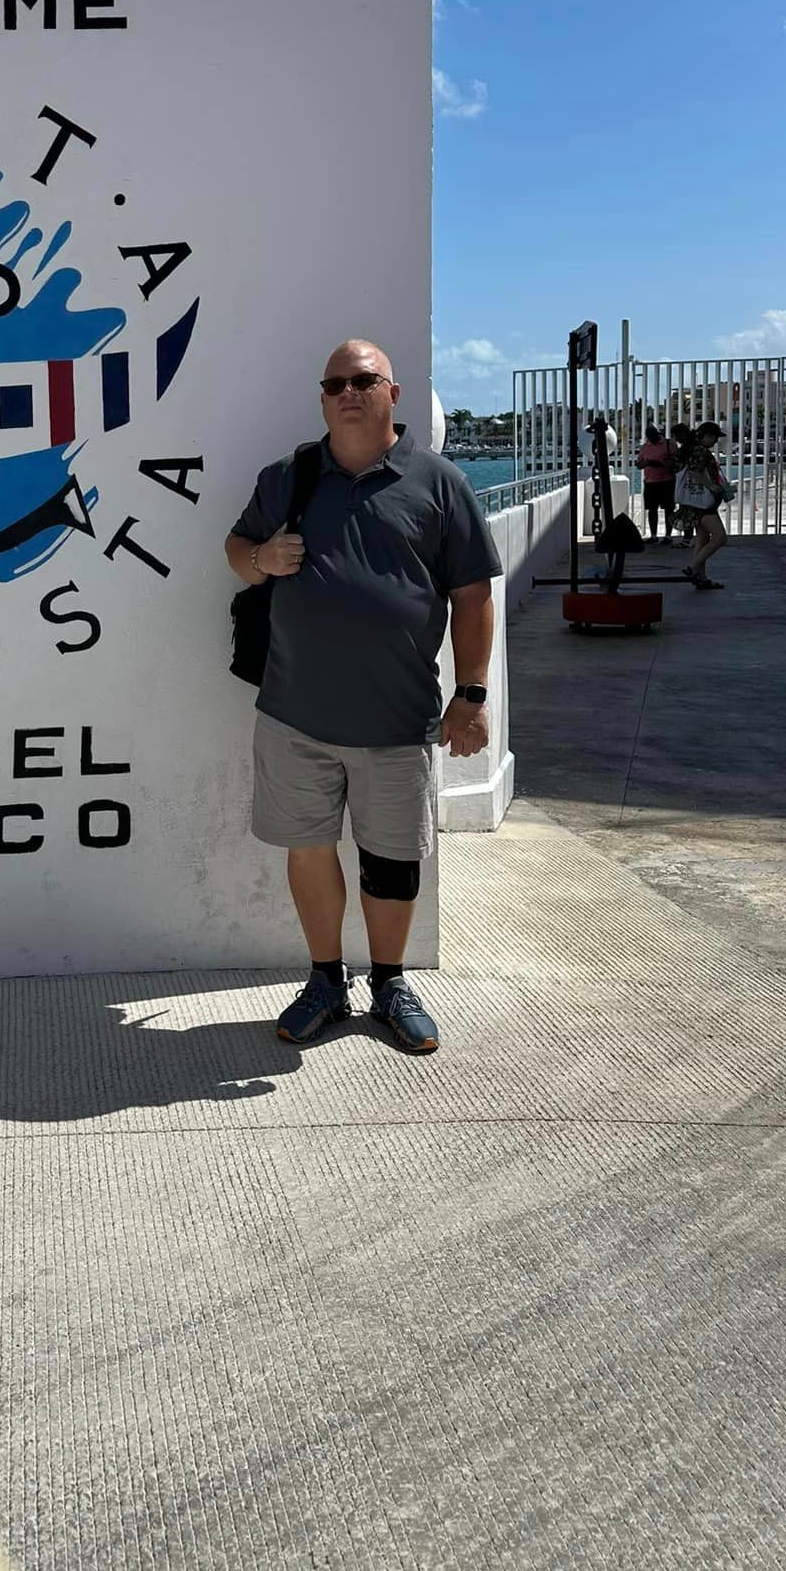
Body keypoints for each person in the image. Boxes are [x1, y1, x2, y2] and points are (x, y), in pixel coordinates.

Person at [225, 339, 502, 1056]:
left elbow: (472, 595)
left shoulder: (440, 484)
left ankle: (389, 982)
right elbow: (235, 547)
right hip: (295, 716)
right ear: (323, 398)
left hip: (397, 718)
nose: (349, 391)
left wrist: (470, 696)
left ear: (393, 393)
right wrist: (262, 560)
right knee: (309, 850)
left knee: (392, 861)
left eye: (363, 380)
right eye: (336, 383)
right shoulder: (288, 477)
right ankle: (325, 980)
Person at [677, 421, 729, 591]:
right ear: (707, 436)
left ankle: (702, 578)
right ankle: (693, 568)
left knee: (702, 540)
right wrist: (711, 486)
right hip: (703, 503)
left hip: (694, 502)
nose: (715, 442)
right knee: (720, 538)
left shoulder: (693, 449)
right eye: (714, 438)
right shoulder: (700, 450)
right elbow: (694, 471)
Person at [635, 419, 677, 543]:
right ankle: (653, 535)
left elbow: (676, 461)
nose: (651, 440)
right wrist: (646, 463)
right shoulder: (645, 447)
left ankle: (668, 535)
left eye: (653, 437)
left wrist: (661, 463)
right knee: (652, 510)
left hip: (667, 481)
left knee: (669, 509)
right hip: (650, 482)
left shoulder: (669, 444)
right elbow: (639, 464)